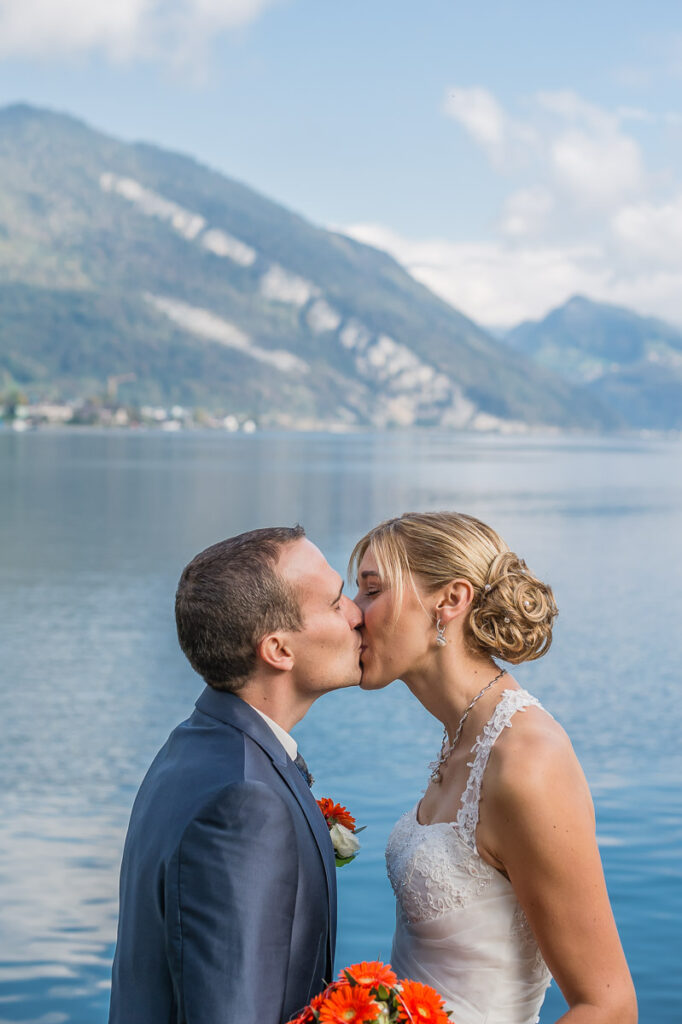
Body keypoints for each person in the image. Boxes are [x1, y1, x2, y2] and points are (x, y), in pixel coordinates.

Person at [351, 512, 637, 1024]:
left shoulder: (527, 759)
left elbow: (610, 1006)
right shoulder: (462, 731)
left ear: (451, 600)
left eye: (372, 591)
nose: (353, 613)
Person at [109, 525, 363, 1024]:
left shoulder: (192, 747)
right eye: (336, 604)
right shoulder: (245, 800)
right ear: (279, 651)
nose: (357, 614)